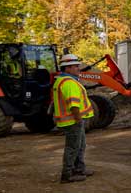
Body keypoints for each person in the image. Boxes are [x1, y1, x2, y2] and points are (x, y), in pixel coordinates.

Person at [53, 54, 95, 183]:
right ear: (67, 68)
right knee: (73, 147)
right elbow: (74, 104)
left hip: (73, 120)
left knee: (80, 146)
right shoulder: (69, 83)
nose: (78, 68)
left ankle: (79, 169)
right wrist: (78, 119)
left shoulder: (65, 80)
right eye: (75, 66)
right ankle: (67, 175)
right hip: (72, 120)